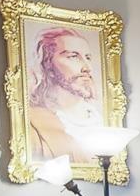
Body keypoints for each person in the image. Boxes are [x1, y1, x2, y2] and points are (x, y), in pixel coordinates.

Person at [26, 25, 103, 161]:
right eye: (73, 57)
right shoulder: (34, 120)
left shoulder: (100, 118)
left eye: (88, 58)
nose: (87, 68)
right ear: (47, 64)